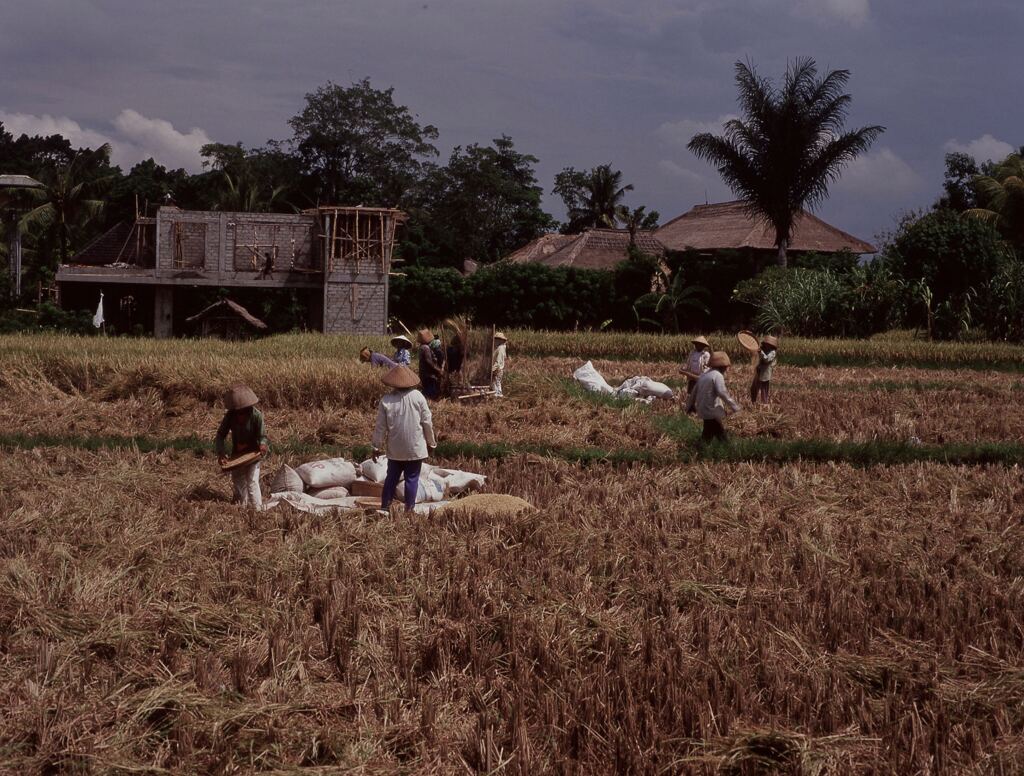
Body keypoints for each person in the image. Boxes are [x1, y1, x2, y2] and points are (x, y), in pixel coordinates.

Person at [371, 365, 437, 513]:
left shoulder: (386, 400)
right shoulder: (418, 397)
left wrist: (376, 447)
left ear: (393, 382)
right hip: (414, 448)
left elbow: (380, 427)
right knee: (412, 479)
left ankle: (384, 507)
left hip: (395, 449)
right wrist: (431, 442)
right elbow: (427, 422)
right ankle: (409, 509)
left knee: (391, 478)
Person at [216, 383, 269, 506]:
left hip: (254, 453)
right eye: (238, 412)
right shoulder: (230, 416)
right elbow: (220, 435)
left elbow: (262, 436)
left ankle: (257, 510)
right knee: (238, 480)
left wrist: (262, 444)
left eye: (243, 412)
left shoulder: (256, 416)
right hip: (237, 453)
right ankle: (242, 507)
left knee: (252, 481)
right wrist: (221, 453)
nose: (240, 415)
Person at [685, 351, 741, 444]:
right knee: (720, 433)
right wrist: (735, 407)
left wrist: (689, 405)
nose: (726, 369)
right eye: (726, 367)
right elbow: (722, 392)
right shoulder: (717, 375)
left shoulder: (704, 375)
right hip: (711, 409)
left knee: (707, 433)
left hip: (703, 408)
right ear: (722, 366)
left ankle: (700, 448)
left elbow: (694, 392)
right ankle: (728, 449)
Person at [750, 335, 779, 404]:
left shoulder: (772, 352)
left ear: (771, 345)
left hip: (765, 372)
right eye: (766, 344)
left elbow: (767, 359)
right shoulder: (763, 350)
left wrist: (761, 352)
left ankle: (764, 404)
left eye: (768, 344)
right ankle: (753, 402)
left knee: (764, 389)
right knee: (753, 388)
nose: (766, 345)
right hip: (759, 370)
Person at [417, 328, 443, 400]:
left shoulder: (422, 347)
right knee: (430, 391)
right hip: (428, 374)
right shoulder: (426, 348)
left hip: (423, 373)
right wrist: (438, 370)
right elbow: (429, 361)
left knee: (427, 389)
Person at [491, 331, 508, 397]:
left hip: (498, 369)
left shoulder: (500, 348)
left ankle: (497, 395)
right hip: (498, 369)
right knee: (497, 383)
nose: (495, 340)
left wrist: (492, 369)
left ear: (500, 340)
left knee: (496, 382)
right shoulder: (499, 348)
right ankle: (498, 395)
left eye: (496, 339)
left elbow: (498, 361)